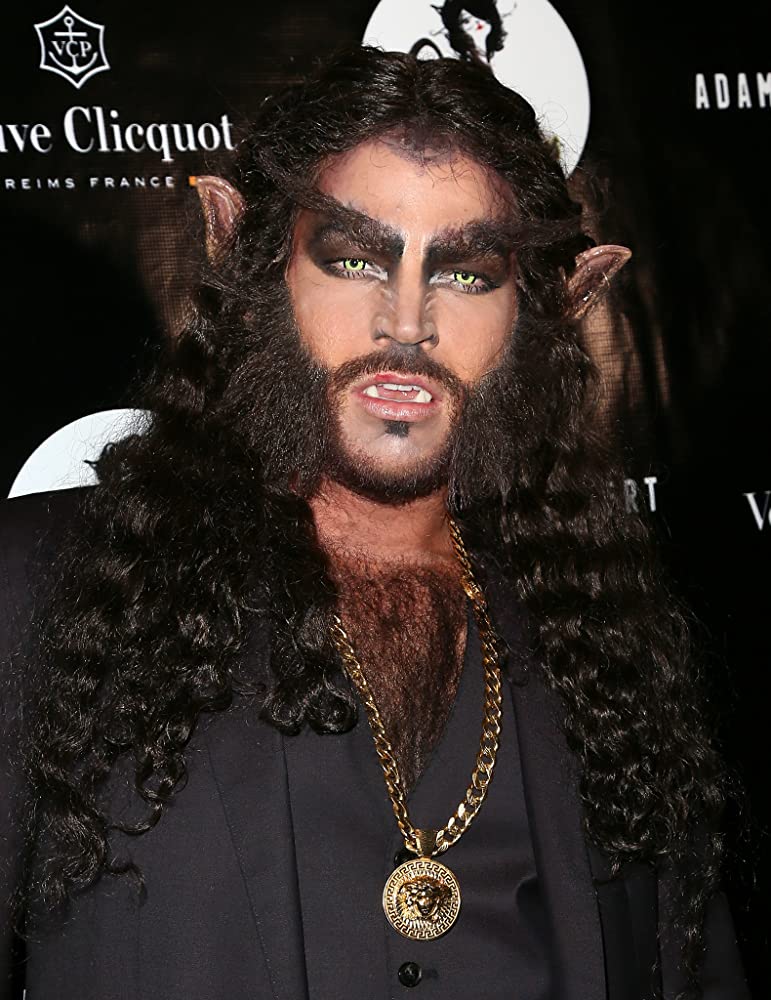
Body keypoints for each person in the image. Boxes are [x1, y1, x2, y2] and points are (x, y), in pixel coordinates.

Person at [0, 46, 749, 1000]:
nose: (406, 321)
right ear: (248, 260)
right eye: (355, 259)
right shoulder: (44, 581)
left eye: (466, 273)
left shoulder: (601, 636)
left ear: (548, 308)